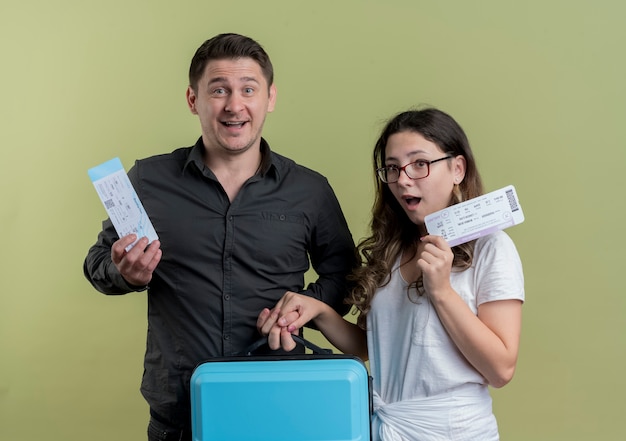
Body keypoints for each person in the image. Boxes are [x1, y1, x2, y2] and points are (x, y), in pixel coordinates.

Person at [83, 33, 356, 441]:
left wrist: (309, 307)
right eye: (219, 90)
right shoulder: (148, 180)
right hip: (180, 412)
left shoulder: (310, 190)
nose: (234, 105)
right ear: (193, 100)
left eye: (249, 89)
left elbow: (346, 276)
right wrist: (127, 274)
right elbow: (98, 263)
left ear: (270, 98)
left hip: (282, 403)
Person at [260, 108, 525, 440]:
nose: (402, 179)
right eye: (392, 167)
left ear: (457, 168)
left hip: (454, 432)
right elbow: (369, 347)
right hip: (386, 427)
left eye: (419, 164)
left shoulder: (492, 249)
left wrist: (441, 291)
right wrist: (319, 312)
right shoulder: (391, 250)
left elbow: (501, 369)